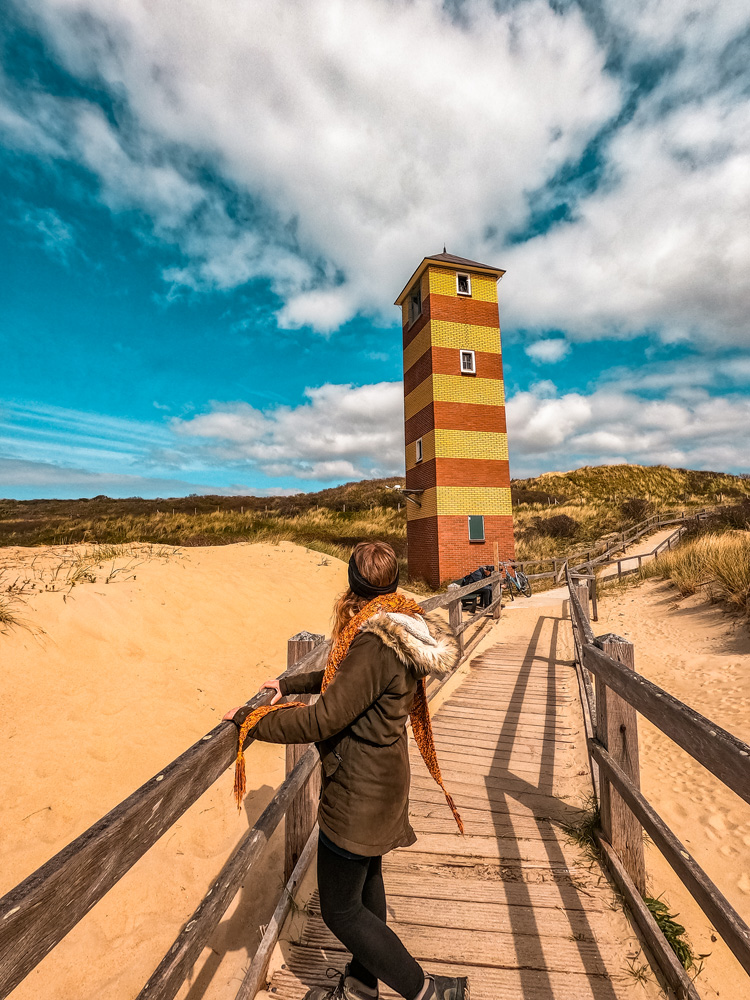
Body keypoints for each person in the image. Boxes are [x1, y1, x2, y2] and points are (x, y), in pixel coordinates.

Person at [223, 541, 468, 1000]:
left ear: (353, 586)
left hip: (359, 793)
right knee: (367, 882)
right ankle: (361, 984)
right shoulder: (399, 623)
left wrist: (253, 721)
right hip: (382, 783)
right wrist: (289, 683)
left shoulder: (375, 643)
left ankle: (427, 991)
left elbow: (323, 718)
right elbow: (347, 680)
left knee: (340, 910)